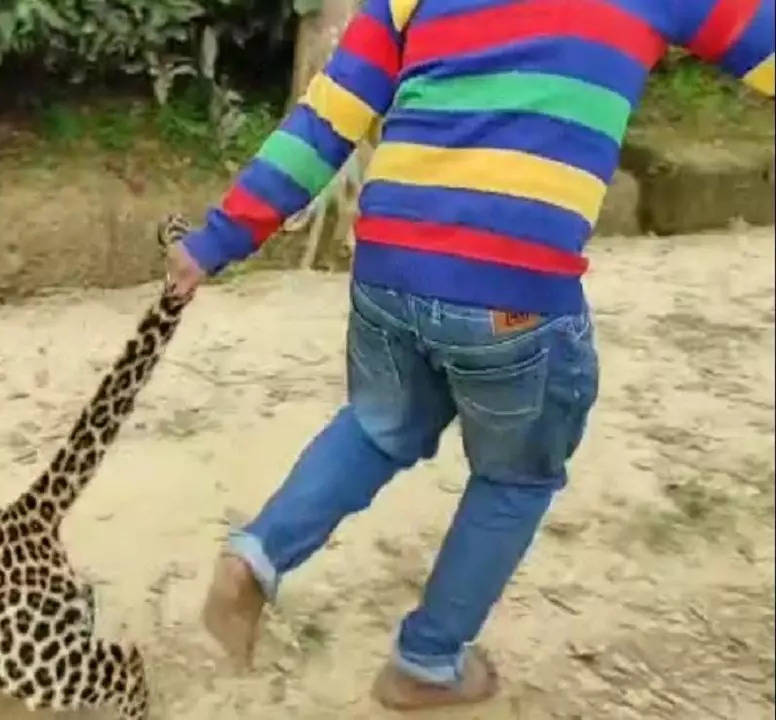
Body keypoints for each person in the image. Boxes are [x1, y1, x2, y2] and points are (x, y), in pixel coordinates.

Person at [164, 0, 774, 710]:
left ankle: (256, 555)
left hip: (389, 269)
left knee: (377, 425)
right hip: (512, 293)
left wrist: (216, 241)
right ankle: (426, 662)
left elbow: (322, 125)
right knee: (516, 476)